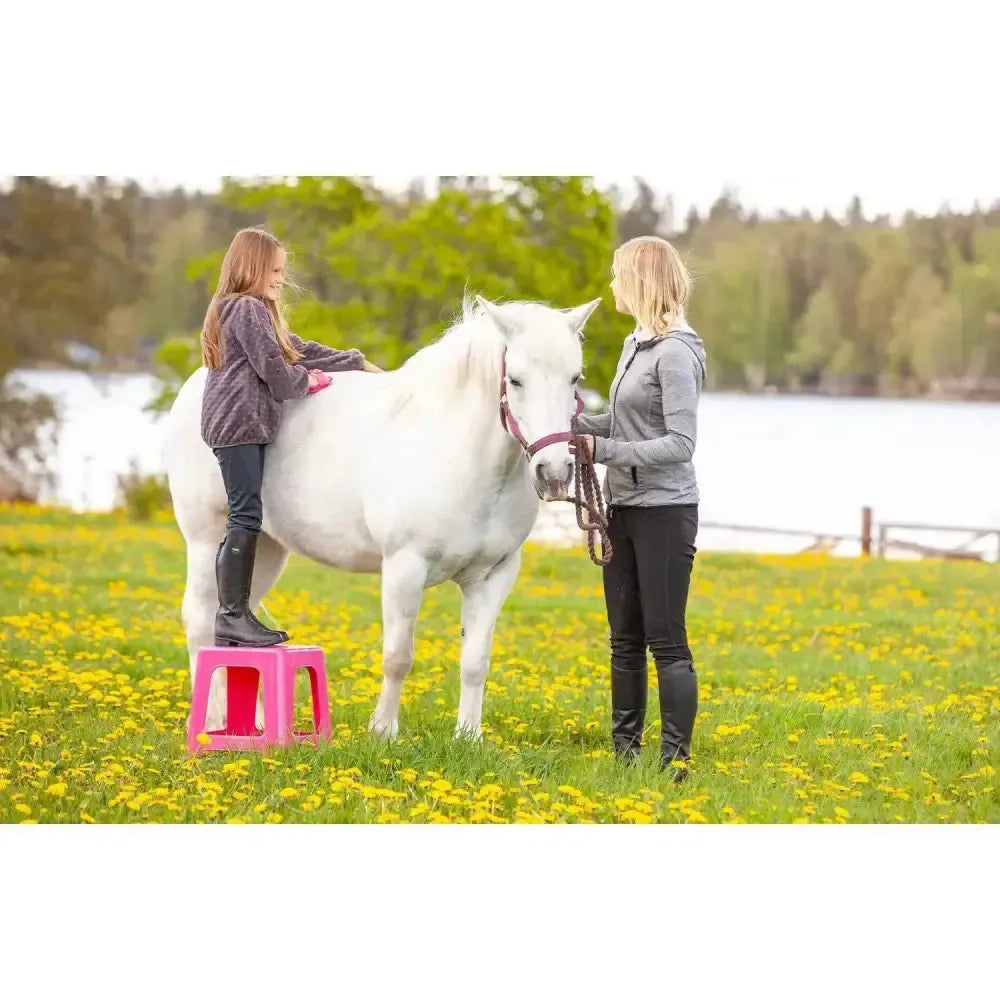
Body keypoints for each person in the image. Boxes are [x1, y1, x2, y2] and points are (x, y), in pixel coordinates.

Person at [199, 227, 381, 647]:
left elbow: (295, 349)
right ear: (252, 267)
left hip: (243, 422)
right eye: (275, 270)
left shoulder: (254, 310)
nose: (281, 278)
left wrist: (355, 362)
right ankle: (232, 616)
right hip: (236, 423)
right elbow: (278, 373)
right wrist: (311, 383)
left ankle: (236, 615)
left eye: (283, 270)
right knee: (245, 516)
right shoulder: (245, 308)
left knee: (248, 513)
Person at [570, 236, 706, 781]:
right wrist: (568, 426)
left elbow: (681, 443)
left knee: (665, 641)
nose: (610, 284)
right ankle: (625, 756)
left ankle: (675, 763)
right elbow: (625, 425)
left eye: (615, 275)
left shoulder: (676, 352)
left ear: (639, 281)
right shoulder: (636, 345)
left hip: (665, 511)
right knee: (623, 637)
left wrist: (605, 451)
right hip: (623, 508)